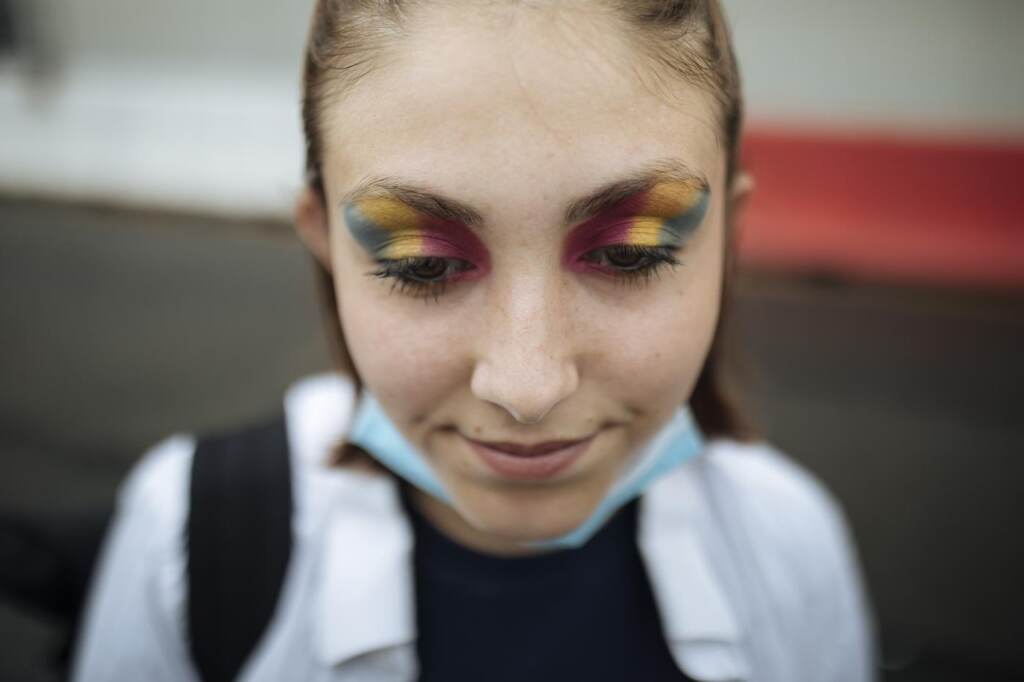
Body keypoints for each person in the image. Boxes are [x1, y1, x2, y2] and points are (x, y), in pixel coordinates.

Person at [72, 0, 877, 680]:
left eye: (631, 253)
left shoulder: (792, 545)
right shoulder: (186, 538)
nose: (527, 389)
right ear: (325, 243)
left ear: (728, 238)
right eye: (423, 265)